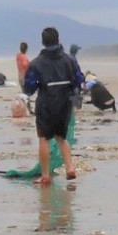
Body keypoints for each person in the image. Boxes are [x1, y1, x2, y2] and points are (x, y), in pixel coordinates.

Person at [23, 27, 82, 186]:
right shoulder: (70, 60)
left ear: (43, 42)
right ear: (58, 40)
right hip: (65, 103)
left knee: (44, 139)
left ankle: (45, 176)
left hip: (46, 104)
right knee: (62, 138)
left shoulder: (36, 63)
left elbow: (29, 88)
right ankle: (70, 168)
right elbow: (78, 79)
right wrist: (76, 98)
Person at [15, 42, 32, 107]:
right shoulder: (23, 57)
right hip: (25, 77)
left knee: (24, 93)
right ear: (26, 49)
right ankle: (28, 109)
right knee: (26, 94)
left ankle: (27, 108)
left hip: (20, 76)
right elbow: (25, 65)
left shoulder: (18, 56)